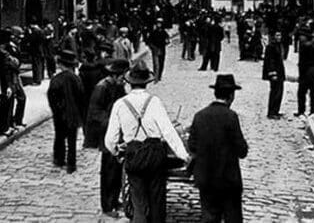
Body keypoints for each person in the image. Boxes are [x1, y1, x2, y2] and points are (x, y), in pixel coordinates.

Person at [104, 60, 190, 223]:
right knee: (157, 200)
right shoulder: (154, 102)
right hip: (155, 155)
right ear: (146, 83)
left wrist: (117, 153)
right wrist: (183, 155)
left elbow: (110, 139)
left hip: (134, 154)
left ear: (129, 82)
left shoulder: (120, 104)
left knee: (138, 201)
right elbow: (168, 132)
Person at [188, 74, 248, 223]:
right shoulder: (231, 116)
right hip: (228, 180)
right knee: (232, 218)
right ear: (231, 96)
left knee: (209, 218)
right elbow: (242, 151)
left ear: (215, 93)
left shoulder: (199, 116)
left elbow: (192, 146)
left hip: (206, 179)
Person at [85, 59, 130, 218]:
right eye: (123, 76)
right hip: (108, 135)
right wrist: (113, 121)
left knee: (117, 170)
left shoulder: (118, 87)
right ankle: (107, 205)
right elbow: (94, 113)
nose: (124, 80)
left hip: (119, 135)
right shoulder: (102, 87)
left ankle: (115, 200)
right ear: (117, 74)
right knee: (108, 172)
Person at [47, 50, 85, 173]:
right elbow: (81, 96)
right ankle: (71, 164)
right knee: (72, 140)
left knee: (59, 137)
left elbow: (52, 98)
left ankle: (59, 159)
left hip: (60, 114)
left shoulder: (56, 79)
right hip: (73, 114)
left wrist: (56, 110)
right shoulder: (76, 79)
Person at [295, 26, 314, 116]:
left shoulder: (307, 44)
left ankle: (305, 110)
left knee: (307, 92)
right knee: (309, 93)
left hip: (310, 71)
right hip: (309, 71)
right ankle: (310, 110)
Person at [262, 30, 286, 119]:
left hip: (280, 72)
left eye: (280, 35)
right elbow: (270, 61)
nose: (279, 37)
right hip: (275, 73)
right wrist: (272, 73)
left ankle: (276, 110)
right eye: (277, 35)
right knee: (275, 92)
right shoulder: (271, 47)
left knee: (279, 92)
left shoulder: (279, 45)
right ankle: (271, 112)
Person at [146, 18, 169, 83]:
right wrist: (152, 47)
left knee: (161, 63)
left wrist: (167, 41)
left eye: (160, 23)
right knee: (156, 64)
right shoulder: (153, 32)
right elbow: (149, 41)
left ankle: (159, 76)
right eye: (158, 23)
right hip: (155, 50)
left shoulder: (164, 32)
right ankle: (155, 77)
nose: (159, 25)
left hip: (162, 49)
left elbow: (167, 39)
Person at [28, 19, 46, 85]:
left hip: (35, 50)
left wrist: (30, 34)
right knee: (40, 64)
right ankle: (40, 77)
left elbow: (32, 40)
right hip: (40, 49)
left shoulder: (34, 31)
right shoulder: (41, 31)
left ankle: (37, 80)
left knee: (36, 65)